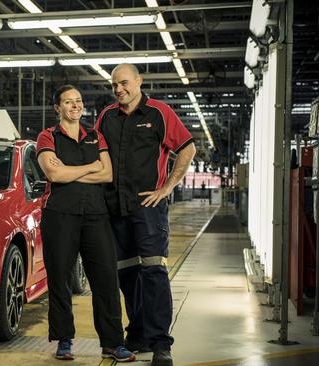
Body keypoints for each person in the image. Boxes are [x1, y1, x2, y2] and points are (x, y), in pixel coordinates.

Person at [95, 64, 196, 366]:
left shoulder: (159, 113)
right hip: (116, 209)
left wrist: (166, 188)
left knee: (153, 272)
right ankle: (137, 332)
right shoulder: (106, 116)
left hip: (148, 209)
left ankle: (160, 342)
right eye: (114, 85)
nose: (118, 89)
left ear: (139, 81)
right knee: (127, 274)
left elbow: (188, 148)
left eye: (124, 83)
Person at [36, 85, 135, 362]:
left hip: (95, 215)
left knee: (105, 279)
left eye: (78, 101)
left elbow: (107, 175)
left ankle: (113, 343)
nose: (75, 106)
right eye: (68, 102)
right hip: (59, 215)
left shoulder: (94, 135)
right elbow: (53, 173)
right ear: (58, 108)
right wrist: (90, 167)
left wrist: (71, 172)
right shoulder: (47, 136)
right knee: (60, 279)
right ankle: (64, 340)